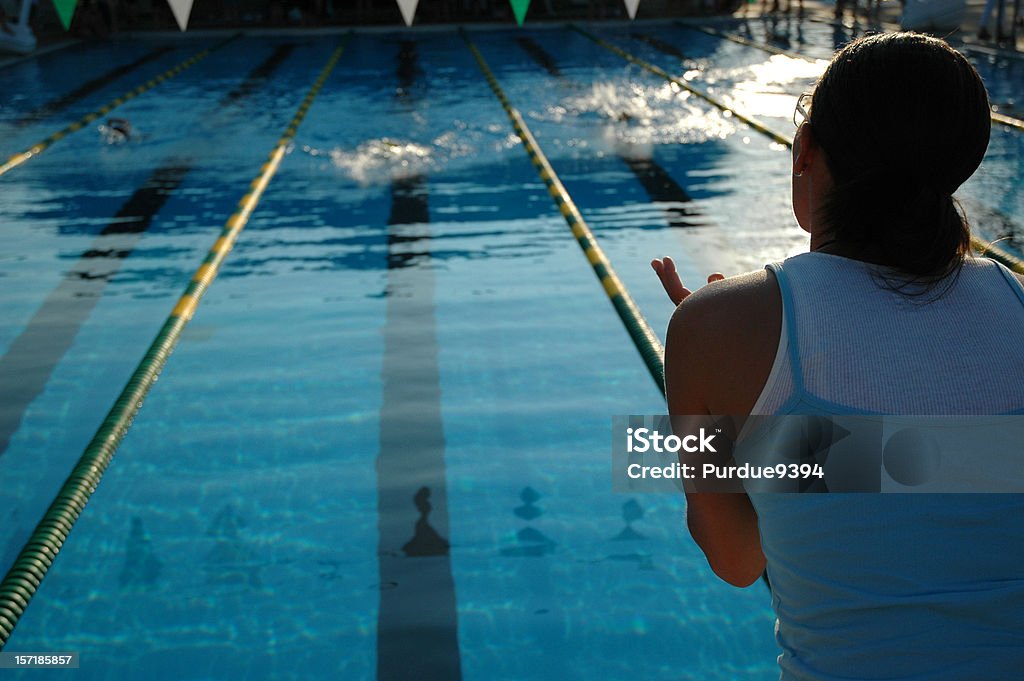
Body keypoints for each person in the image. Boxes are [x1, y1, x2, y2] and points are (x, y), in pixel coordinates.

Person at [652, 32, 1024, 678]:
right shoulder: (1017, 305)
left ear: (805, 154)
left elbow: (738, 558)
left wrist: (730, 402)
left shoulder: (710, 330)